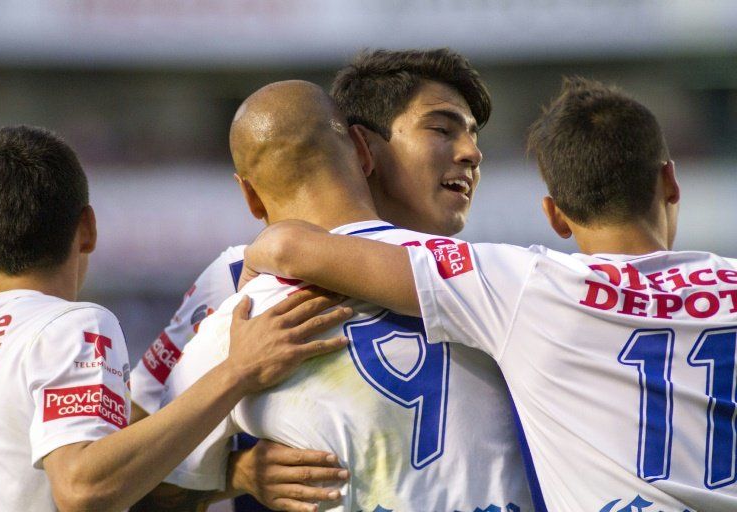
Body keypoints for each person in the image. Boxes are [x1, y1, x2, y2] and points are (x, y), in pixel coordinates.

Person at [242, 77, 737, 510]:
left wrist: (252, 262)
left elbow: (290, 245)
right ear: (670, 181)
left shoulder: (526, 285)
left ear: (555, 216)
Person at [132, 48, 531, 511]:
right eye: (441, 129)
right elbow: (141, 442)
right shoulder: (236, 280)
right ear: (364, 149)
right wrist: (238, 474)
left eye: (474, 136)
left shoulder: (487, 275)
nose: (471, 153)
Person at [0, 125, 352, 512]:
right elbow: (82, 488)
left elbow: (120, 464)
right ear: (88, 229)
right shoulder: (71, 324)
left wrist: (233, 474)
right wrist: (237, 371)